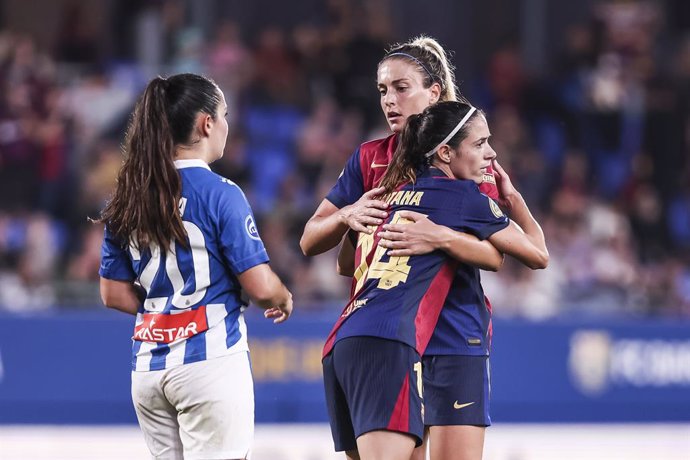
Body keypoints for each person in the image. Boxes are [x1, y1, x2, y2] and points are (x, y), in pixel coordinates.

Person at [300, 36, 504, 460]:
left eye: (400, 87)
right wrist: (345, 215)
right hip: (390, 328)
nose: (389, 100)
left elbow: (494, 254)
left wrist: (439, 237)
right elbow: (309, 238)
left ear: (433, 92)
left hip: (452, 329)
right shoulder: (370, 157)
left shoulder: (462, 155)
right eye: (382, 90)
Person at [322, 100, 548, 460]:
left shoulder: (387, 194)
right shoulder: (464, 196)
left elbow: (345, 265)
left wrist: (435, 238)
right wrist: (513, 199)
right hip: (390, 343)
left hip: (342, 342)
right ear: (444, 152)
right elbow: (538, 255)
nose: (490, 154)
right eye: (479, 144)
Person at [97, 73, 293, 460]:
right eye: (224, 115)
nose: (226, 125)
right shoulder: (222, 193)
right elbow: (259, 286)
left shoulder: (129, 195)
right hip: (210, 361)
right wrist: (283, 296)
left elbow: (112, 292)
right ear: (206, 123)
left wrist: (167, 314)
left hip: (149, 369)